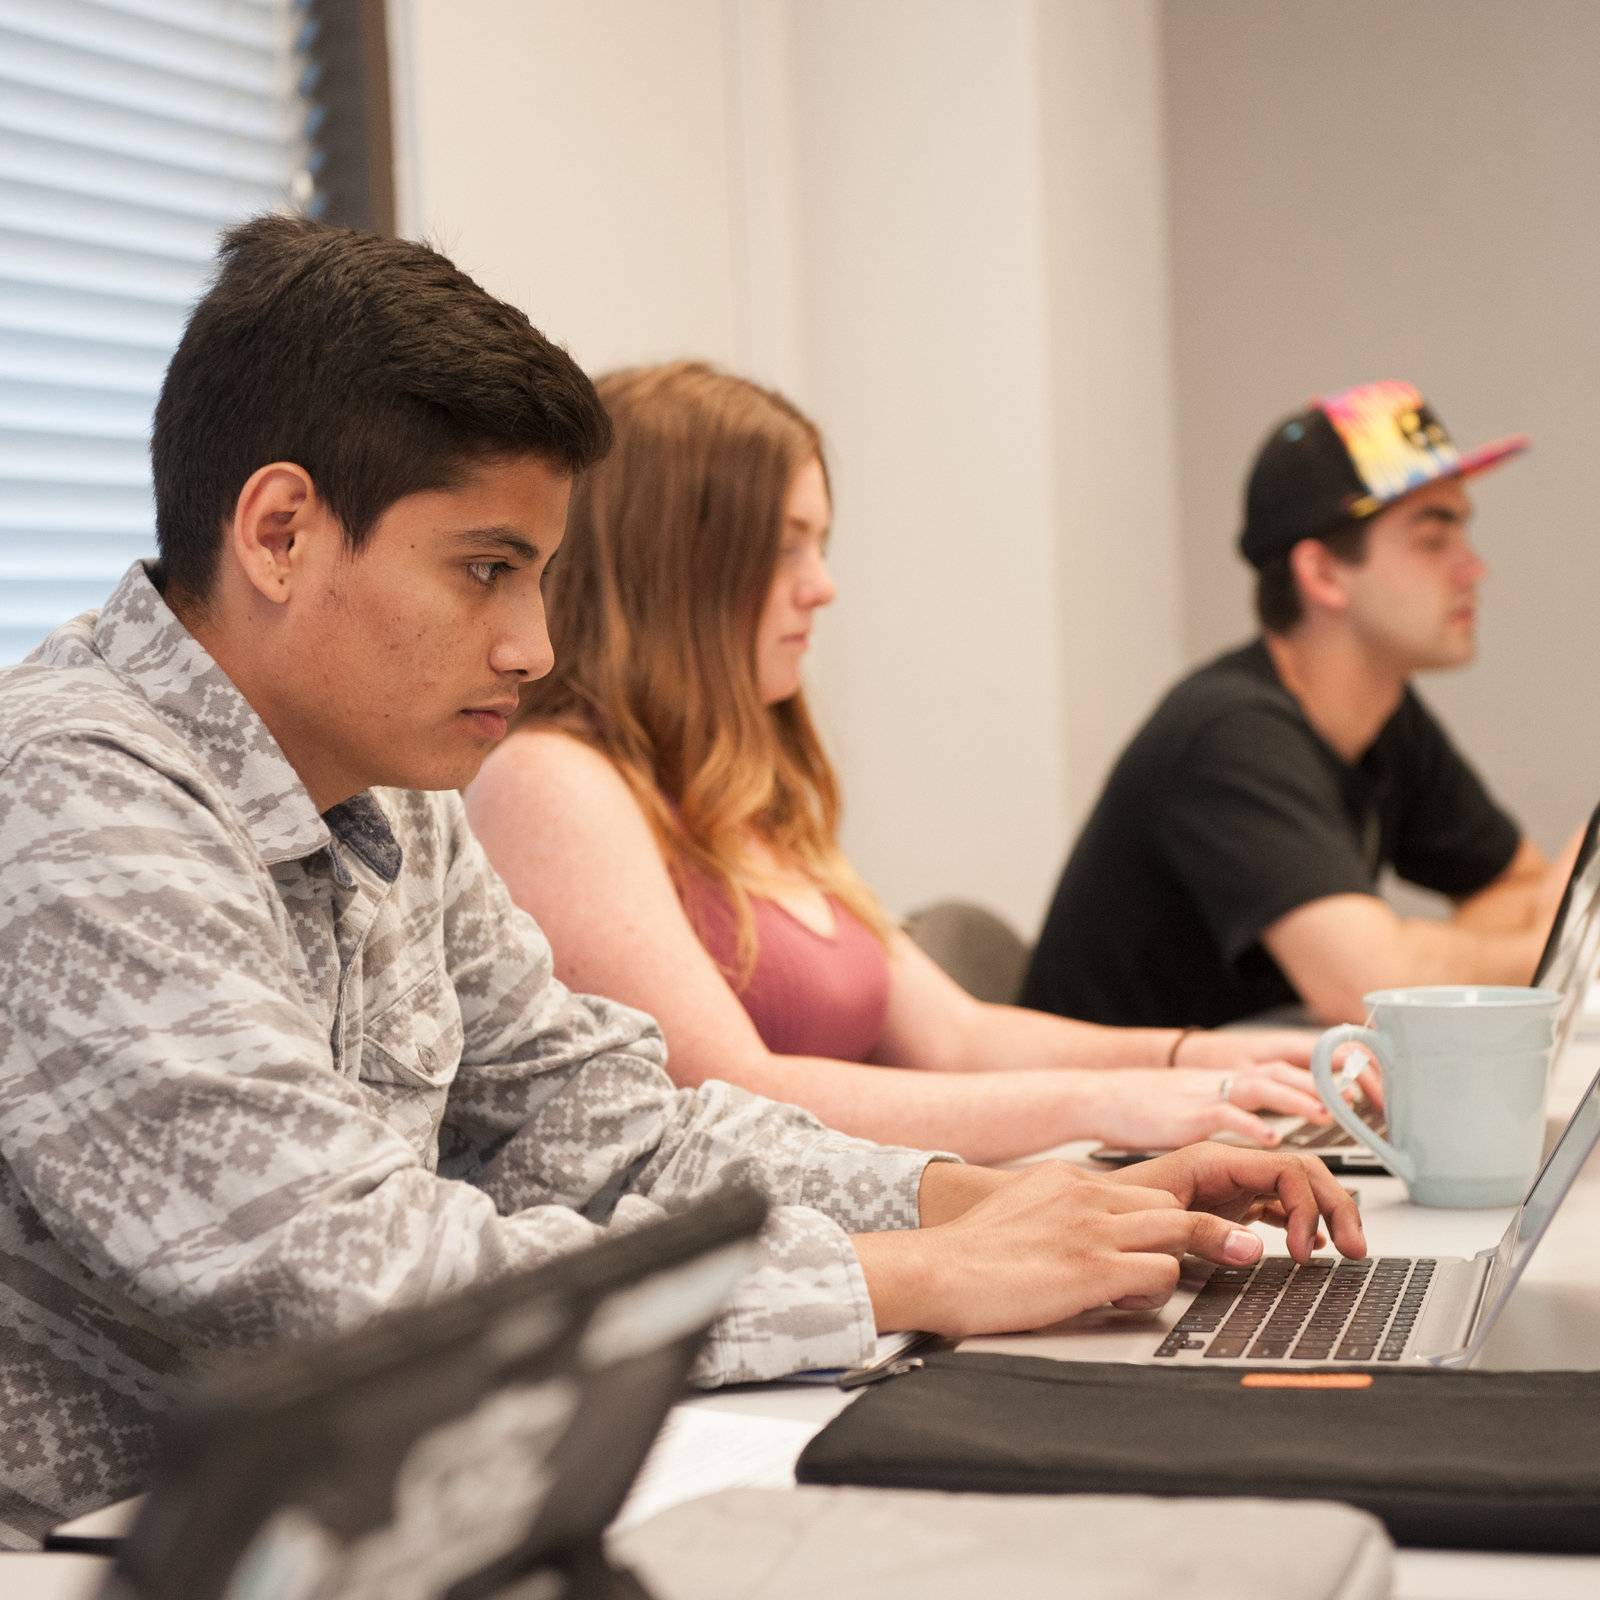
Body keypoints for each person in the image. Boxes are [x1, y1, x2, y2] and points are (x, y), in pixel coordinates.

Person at [0, 221, 1362, 1549]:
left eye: (539, 578)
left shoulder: (389, 795)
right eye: (486, 571)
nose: (532, 645)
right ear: (281, 531)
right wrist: (909, 1273)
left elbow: (617, 1130)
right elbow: (352, 1287)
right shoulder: (73, 799)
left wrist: (982, 1203)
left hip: (359, 1530)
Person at [466, 361, 1342, 1166]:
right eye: (785, 546)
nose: (823, 585)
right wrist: (1107, 1101)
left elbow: (956, 1036)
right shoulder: (552, 779)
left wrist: (1195, 1057)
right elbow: (732, 1094)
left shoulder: (744, 789)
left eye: (820, 544)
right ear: (675, 566)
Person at [1020, 380, 1567, 1029]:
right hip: (1116, 1123)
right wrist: (1547, 953)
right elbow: (1373, 989)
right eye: (1432, 539)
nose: (1472, 568)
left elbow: (1515, 887)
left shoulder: (1386, 714)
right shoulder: (1228, 734)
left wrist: (1435, 958)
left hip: (1245, 1097)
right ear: (1323, 574)